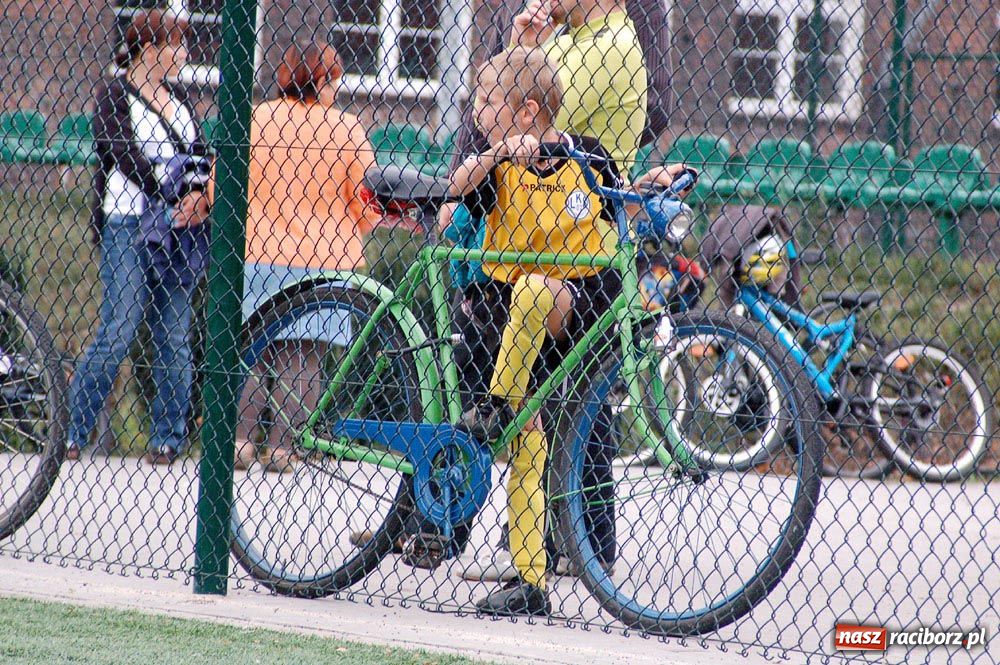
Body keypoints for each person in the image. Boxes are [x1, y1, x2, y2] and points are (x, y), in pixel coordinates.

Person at [451, 0, 685, 583]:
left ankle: (500, 412)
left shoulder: (603, 76)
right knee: (534, 425)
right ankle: (527, 567)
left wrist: (642, 186)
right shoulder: (502, 158)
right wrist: (499, 147)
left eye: (485, 104)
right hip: (511, 293)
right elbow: (460, 180)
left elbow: (608, 193)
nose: (476, 112)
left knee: (553, 344)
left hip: (570, 288)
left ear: (526, 112)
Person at [68, 9, 211, 465]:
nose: (184, 54)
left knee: (174, 335)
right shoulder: (114, 93)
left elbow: (200, 152)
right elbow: (122, 152)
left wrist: (196, 196)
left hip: (179, 230)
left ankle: (167, 439)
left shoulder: (179, 97)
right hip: (127, 225)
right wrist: (169, 190)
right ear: (149, 49)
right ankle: (72, 431)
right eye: (177, 45)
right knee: (120, 328)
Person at [233, 41, 379, 472]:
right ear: (321, 81)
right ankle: (282, 449)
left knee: (255, 351)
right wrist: (358, 223)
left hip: (258, 249)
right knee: (304, 358)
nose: (337, 89)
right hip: (324, 256)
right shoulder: (346, 129)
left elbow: (226, 183)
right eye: (334, 81)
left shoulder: (257, 118)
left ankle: (239, 443)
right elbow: (366, 197)